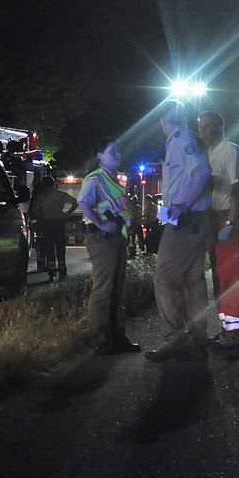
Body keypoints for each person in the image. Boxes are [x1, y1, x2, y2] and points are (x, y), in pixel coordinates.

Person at [145, 101, 213, 362]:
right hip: (196, 221)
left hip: (184, 222)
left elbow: (202, 171)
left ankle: (175, 339)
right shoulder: (188, 138)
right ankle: (198, 340)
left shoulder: (178, 139)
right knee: (193, 280)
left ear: (163, 120)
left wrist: (183, 204)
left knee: (163, 278)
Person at [77, 138, 140, 355]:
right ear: (100, 156)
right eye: (112, 152)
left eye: (118, 151)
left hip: (115, 238)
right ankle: (101, 340)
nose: (117, 155)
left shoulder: (113, 179)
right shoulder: (95, 178)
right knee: (104, 290)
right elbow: (83, 203)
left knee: (117, 289)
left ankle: (117, 337)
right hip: (101, 239)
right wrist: (101, 223)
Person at [197, 110, 239, 351]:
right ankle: (226, 330)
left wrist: (230, 222)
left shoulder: (230, 150)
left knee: (230, 277)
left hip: (227, 219)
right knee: (219, 277)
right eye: (200, 127)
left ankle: (236, 334)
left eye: (207, 126)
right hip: (214, 220)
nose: (202, 131)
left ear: (220, 127)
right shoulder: (210, 153)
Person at [28, 175, 79, 280]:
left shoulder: (41, 196)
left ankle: (51, 272)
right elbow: (75, 202)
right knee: (60, 248)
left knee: (49, 249)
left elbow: (34, 208)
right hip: (59, 223)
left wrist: (41, 215)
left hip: (47, 223)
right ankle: (62, 270)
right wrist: (66, 213)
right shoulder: (60, 195)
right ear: (53, 184)